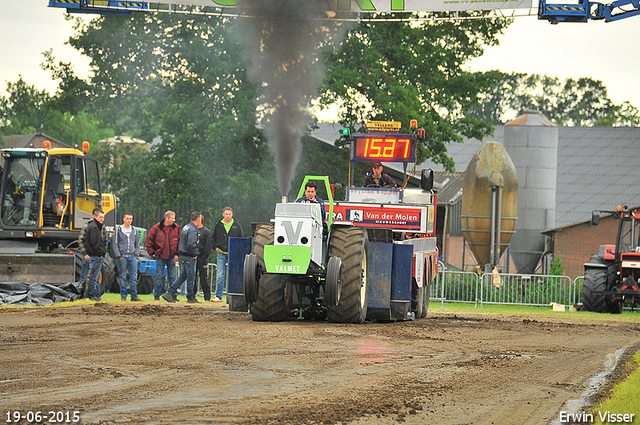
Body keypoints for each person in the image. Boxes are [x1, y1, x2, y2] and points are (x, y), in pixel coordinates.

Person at [162, 212, 202, 304]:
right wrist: (195, 253)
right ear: (198, 219)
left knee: (183, 276)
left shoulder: (186, 227)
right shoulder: (193, 229)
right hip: (189, 256)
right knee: (191, 277)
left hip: (183, 255)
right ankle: (191, 297)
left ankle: (170, 292)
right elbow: (191, 243)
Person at [146, 211, 181, 301]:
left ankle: (172, 295)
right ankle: (157, 294)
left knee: (172, 277)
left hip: (172, 256)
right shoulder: (156, 228)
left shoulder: (176, 228)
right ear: (167, 218)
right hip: (160, 256)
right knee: (159, 276)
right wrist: (152, 252)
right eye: (172, 218)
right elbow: (149, 241)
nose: (174, 220)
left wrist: (177, 254)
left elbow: (179, 242)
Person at [211, 207, 244, 303]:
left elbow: (241, 239)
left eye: (229, 214)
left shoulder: (236, 225)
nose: (228, 216)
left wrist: (237, 250)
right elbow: (213, 238)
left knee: (232, 275)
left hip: (232, 254)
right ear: (223, 214)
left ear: (232, 215)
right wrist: (215, 248)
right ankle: (218, 296)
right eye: (226, 214)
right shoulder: (218, 225)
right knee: (220, 275)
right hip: (221, 253)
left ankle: (231, 297)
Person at [113, 212, 141, 302]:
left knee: (133, 277)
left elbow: (137, 244)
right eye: (127, 218)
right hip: (123, 257)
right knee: (123, 276)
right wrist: (119, 256)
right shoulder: (118, 230)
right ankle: (123, 295)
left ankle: (134, 295)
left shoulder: (134, 230)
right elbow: (115, 244)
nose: (129, 220)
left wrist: (136, 254)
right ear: (123, 219)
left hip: (132, 257)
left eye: (130, 219)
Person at [83, 208, 106, 302]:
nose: (102, 219)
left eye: (103, 217)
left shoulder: (91, 226)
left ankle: (95, 294)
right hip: (96, 255)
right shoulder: (95, 228)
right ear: (95, 216)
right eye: (100, 217)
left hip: (93, 254)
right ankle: (92, 295)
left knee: (95, 277)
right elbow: (95, 243)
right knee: (94, 277)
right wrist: (101, 252)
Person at [196, 215, 212, 302]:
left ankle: (207, 296)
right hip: (194, 257)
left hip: (202, 258)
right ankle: (192, 295)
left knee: (203, 278)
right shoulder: (192, 230)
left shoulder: (206, 232)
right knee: (192, 277)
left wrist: (205, 257)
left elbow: (208, 246)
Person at [77, 222, 90, 290]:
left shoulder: (101, 227)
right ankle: (81, 292)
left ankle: (93, 294)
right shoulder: (87, 226)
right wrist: (85, 253)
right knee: (84, 274)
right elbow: (81, 240)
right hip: (88, 254)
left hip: (96, 255)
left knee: (94, 276)